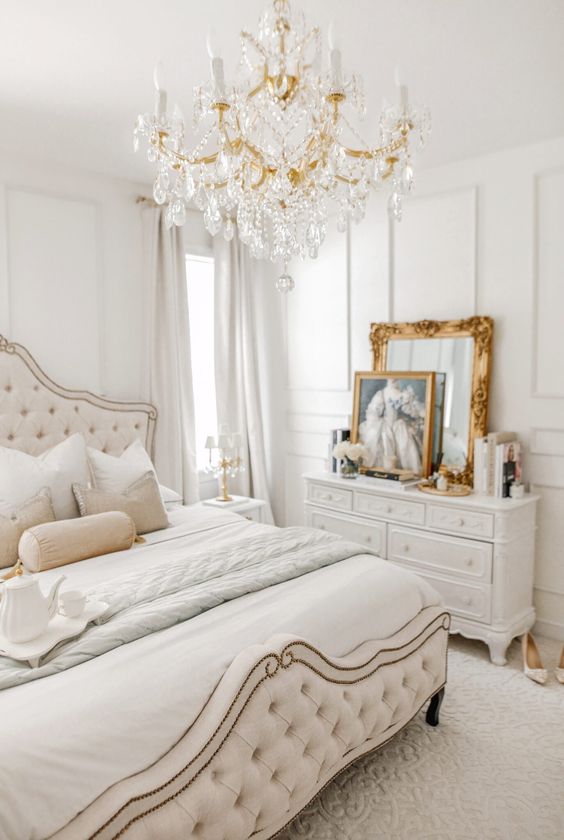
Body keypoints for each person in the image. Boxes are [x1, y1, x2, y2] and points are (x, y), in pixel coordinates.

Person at [359, 379, 424, 473]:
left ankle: (401, 472)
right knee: (390, 446)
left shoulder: (399, 394)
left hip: (396, 424)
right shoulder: (385, 393)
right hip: (387, 424)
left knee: (403, 446)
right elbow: (374, 411)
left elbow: (373, 411)